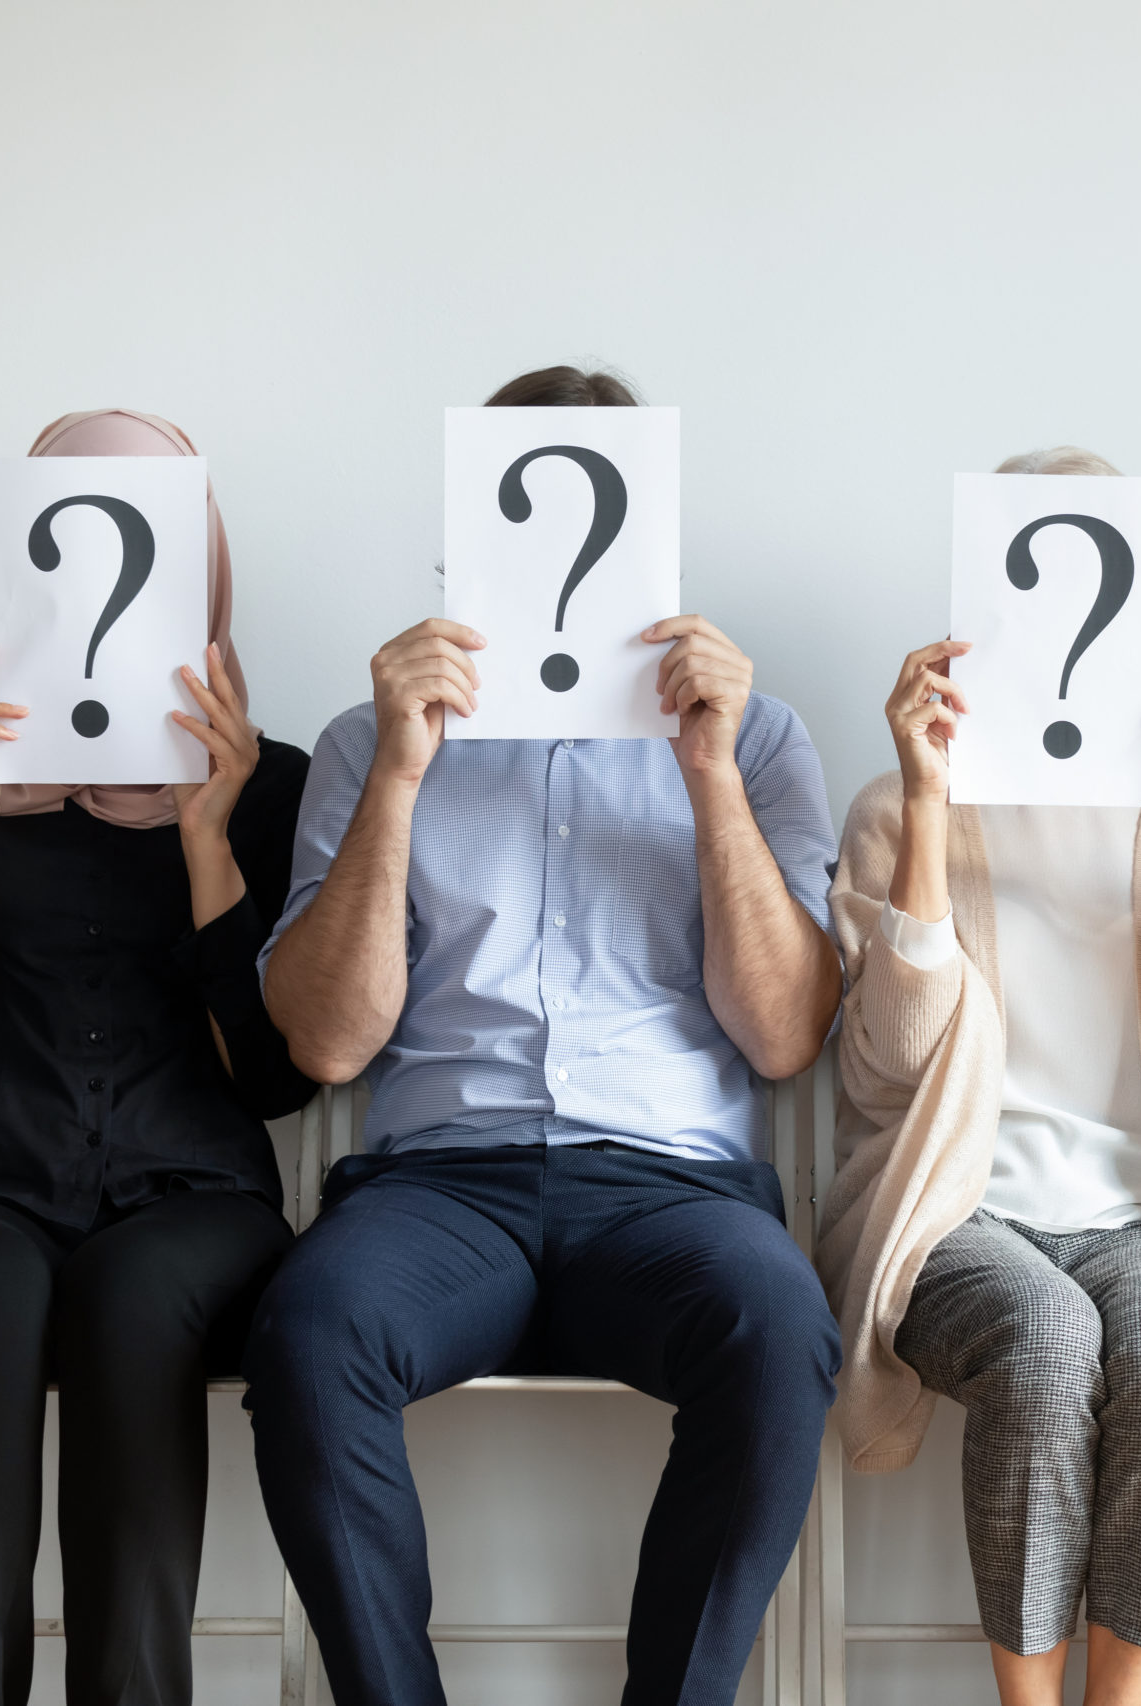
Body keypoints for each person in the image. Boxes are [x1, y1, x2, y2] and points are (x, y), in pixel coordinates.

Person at [242, 365, 843, 1706]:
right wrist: (403, 769)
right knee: (307, 1331)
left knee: (780, 1322)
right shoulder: (365, 741)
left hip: (672, 1192)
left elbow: (790, 1032)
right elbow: (329, 1044)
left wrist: (707, 772)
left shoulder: (760, 739)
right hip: (438, 1188)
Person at [818, 445, 1141, 1706]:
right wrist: (931, 805)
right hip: (954, 1211)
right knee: (1045, 1341)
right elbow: (887, 1061)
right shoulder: (895, 810)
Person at [0, 408, 311, 1706]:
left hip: (189, 1210)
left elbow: (277, 1078)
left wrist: (208, 833)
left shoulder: (272, 785)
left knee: (131, 1289)